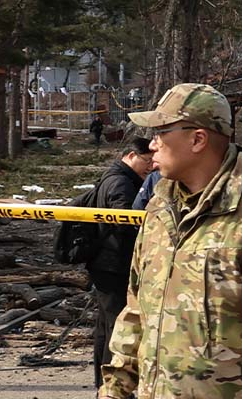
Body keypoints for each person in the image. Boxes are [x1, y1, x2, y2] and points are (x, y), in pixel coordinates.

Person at [100, 83, 242, 399]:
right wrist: (114, 389)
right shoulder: (160, 208)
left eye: (162, 132)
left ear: (198, 139)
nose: (152, 144)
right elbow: (136, 311)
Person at [88, 136, 155, 388]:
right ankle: (110, 385)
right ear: (130, 156)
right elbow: (125, 221)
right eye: (146, 161)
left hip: (107, 262)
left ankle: (102, 384)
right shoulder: (121, 183)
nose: (150, 166)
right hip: (114, 263)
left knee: (106, 326)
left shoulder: (116, 178)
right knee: (116, 327)